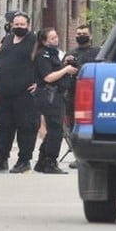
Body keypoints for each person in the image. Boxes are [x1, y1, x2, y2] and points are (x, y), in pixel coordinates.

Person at [0, 13, 39, 173]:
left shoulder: (33, 42)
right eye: (16, 24)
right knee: (2, 127)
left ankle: (24, 161)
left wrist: (38, 82)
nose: (19, 27)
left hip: (24, 93)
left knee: (25, 127)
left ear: (28, 25)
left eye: (22, 24)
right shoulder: (7, 39)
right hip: (5, 93)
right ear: (11, 25)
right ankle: (0, 159)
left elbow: (41, 61)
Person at [32, 27, 78, 174]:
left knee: (54, 129)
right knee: (56, 130)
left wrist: (65, 65)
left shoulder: (54, 54)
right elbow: (48, 77)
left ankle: (42, 161)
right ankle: (51, 161)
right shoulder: (42, 55)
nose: (55, 40)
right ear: (44, 41)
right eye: (52, 38)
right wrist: (66, 70)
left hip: (56, 95)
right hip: (48, 96)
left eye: (56, 37)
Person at [64, 24, 99, 168]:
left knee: (91, 127)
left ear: (90, 36)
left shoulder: (98, 52)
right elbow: (62, 70)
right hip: (73, 94)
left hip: (92, 95)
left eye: (84, 33)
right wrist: (66, 64)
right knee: (74, 126)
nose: (80, 36)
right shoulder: (71, 53)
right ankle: (78, 156)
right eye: (78, 33)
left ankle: (92, 156)